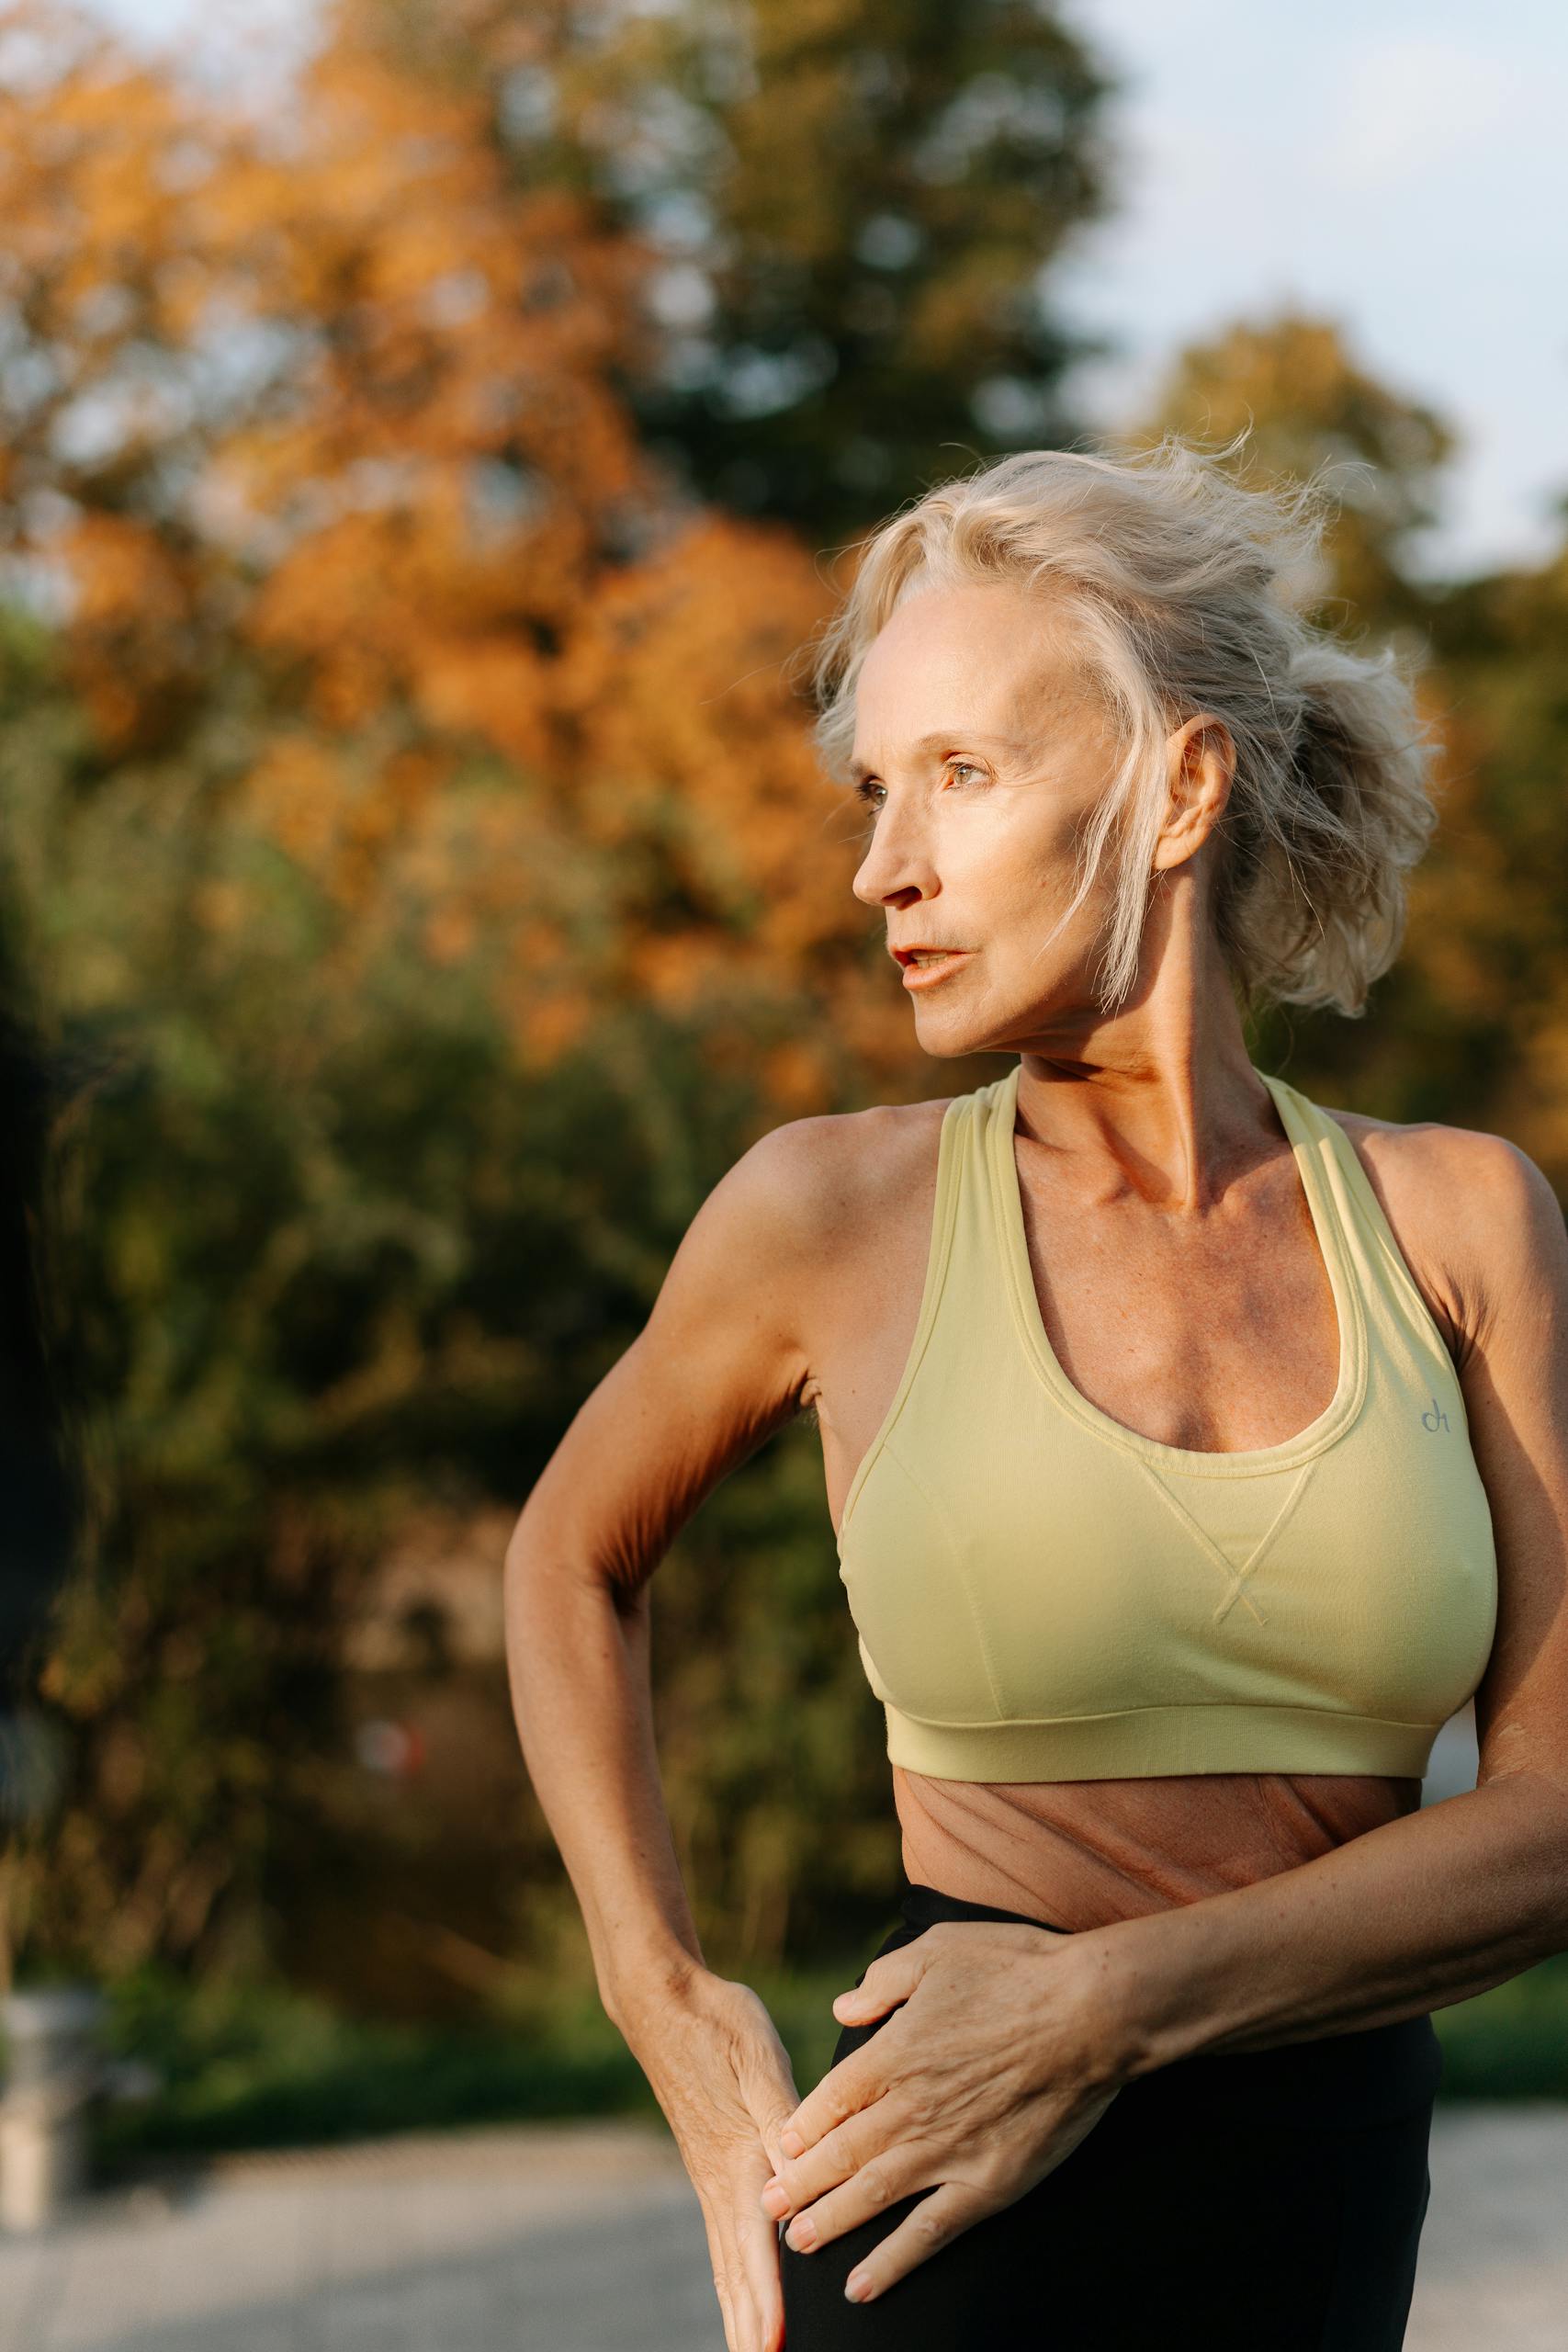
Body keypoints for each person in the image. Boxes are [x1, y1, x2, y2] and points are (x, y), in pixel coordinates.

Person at [503, 439, 1568, 2352]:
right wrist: (657, 1986)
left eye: (960, 774)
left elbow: (1560, 1814)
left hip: (1317, 2199)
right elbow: (566, 1558)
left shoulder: (1457, 1220)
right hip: (937, 2203)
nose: (875, 866)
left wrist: (1109, 2002)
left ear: (1176, 786)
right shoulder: (825, 1211)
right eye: (870, 790)